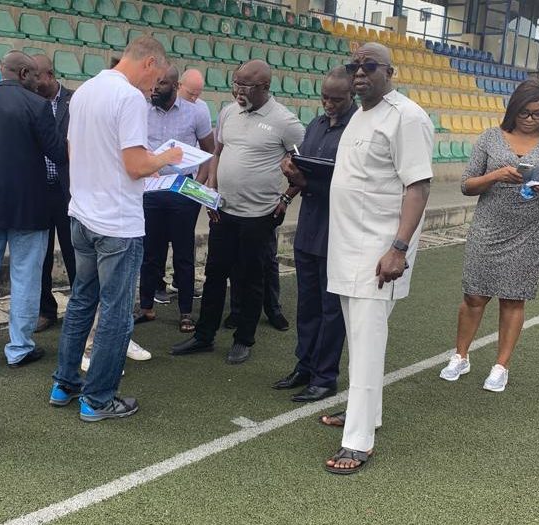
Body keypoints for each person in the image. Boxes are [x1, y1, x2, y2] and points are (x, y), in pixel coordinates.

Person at [49, 37, 182, 422]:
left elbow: (74, 151)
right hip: (117, 224)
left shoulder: (85, 91)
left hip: (82, 214)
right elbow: (136, 166)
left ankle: (65, 383)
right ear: (149, 63)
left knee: (81, 301)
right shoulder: (129, 98)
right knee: (116, 312)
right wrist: (168, 157)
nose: (155, 86)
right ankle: (98, 399)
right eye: (157, 77)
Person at [322, 43, 432, 474]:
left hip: (378, 250)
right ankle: (366, 413)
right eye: (355, 66)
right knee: (359, 340)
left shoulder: (407, 117)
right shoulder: (361, 114)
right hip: (347, 246)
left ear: (390, 71)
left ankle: (358, 441)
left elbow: (418, 186)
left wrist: (398, 248)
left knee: (368, 344)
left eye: (369, 66)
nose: (359, 73)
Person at [170, 59, 305, 365]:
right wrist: (212, 190)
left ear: (265, 87)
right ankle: (204, 335)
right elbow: (217, 152)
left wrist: (286, 197)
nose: (238, 91)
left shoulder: (286, 122)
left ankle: (244, 339)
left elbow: (304, 166)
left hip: (259, 215)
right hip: (224, 211)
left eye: (246, 86)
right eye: (236, 84)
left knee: (251, 278)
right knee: (215, 274)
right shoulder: (229, 112)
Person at [440, 79, 539, 392]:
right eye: (525, 112)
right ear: (513, 109)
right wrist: (497, 175)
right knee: (474, 295)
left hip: (529, 231)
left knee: (513, 298)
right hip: (488, 227)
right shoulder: (490, 138)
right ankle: (460, 356)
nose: (530, 119)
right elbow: (467, 185)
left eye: (538, 114)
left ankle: (501, 366)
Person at [0, 51, 67, 372]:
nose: (38, 81)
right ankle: (19, 348)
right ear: (23, 74)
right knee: (25, 277)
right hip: (30, 206)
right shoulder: (37, 105)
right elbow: (57, 152)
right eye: (34, 75)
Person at [273, 66, 357, 402]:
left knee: (331, 309)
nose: (329, 104)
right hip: (309, 227)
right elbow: (305, 168)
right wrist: (292, 173)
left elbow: (352, 183)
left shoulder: (357, 129)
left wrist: (307, 181)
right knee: (307, 304)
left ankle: (325, 376)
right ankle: (304, 366)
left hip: (338, 230)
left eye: (336, 99)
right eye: (324, 98)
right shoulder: (316, 125)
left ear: (351, 96)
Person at [134, 65, 215, 333]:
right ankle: (146, 307)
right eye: (154, 83)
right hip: (151, 190)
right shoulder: (142, 110)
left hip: (182, 192)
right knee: (150, 252)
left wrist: (197, 185)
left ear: (176, 86)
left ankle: (185, 313)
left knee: (183, 254)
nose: (154, 88)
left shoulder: (196, 113)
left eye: (161, 84)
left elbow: (210, 150)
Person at [32, 54, 75, 334]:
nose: (33, 82)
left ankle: (79, 308)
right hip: (39, 190)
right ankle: (46, 311)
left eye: (37, 77)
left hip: (68, 190)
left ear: (49, 74)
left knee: (74, 253)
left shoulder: (75, 101)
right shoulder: (30, 101)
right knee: (41, 255)